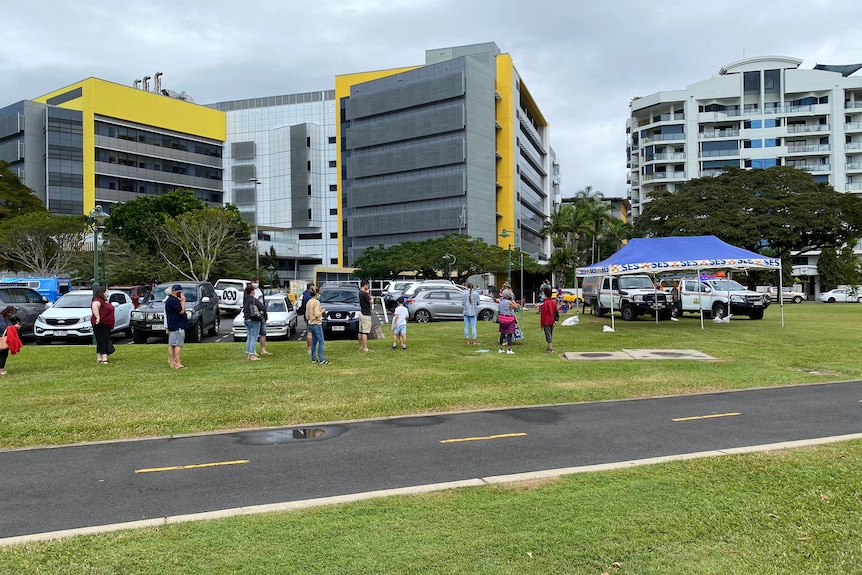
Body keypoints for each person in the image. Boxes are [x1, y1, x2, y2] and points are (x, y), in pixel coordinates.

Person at [90, 286, 115, 364]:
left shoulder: (104, 301)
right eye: (106, 292)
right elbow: (94, 306)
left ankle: (99, 357)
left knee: (101, 340)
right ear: (102, 292)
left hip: (105, 324)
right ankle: (104, 358)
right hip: (101, 324)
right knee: (104, 340)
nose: (107, 293)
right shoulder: (98, 300)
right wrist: (98, 317)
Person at [305, 286, 329, 364]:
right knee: (321, 341)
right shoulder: (316, 302)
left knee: (314, 342)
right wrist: (322, 311)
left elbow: (307, 315)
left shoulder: (309, 302)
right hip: (317, 324)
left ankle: (313, 359)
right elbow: (316, 314)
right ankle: (322, 359)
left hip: (310, 323)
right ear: (317, 293)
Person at [164, 284, 187, 369]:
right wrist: (183, 301)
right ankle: (177, 363)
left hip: (172, 325)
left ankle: (172, 362)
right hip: (178, 326)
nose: (181, 293)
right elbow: (181, 311)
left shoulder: (170, 300)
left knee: (172, 344)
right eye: (180, 292)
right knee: (178, 344)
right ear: (177, 292)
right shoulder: (173, 301)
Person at [243, 284, 265, 361]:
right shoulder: (253, 299)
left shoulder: (245, 299)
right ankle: (252, 355)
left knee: (249, 337)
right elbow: (262, 306)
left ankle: (248, 353)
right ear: (252, 291)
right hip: (254, 319)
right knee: (254, 337)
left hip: (246, 319)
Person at [0, 306, 23, 376]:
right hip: (2, 339)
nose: (12, 315)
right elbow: (4, 329)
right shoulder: (1, 319)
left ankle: (1, 368)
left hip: (5, 339)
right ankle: (1, 369)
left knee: (4, 354)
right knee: (2, 354)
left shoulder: (6, 319)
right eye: (12, 313)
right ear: (8, 313)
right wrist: (15, 327)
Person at [250, 276, 270, 356]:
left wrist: (265, 313)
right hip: (254, 314)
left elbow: (263, 302)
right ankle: (253, 350)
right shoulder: (249, 291)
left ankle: (263, 349)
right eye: (254, 282)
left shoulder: (260, 290)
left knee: (263, 332)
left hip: (262, 314)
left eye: (257, 282)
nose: (256, 283)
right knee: (254, 333)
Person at [298, 282, 314, 355]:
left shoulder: (304, 295)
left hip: (306, 315)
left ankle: (310, 348)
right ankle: (310, 348)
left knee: (310, 332)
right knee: (310, 332)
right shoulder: (309, 296)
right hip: (310, 316)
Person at [540, 286, 558, 354]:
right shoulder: (553, 302)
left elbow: (543, 315)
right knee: (550, 333)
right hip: (551, 320)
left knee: (548, 335)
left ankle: (550, 349)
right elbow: (555, 311)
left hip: (546, 321)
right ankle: (549, 347)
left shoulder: (545, 303)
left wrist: (542, 324)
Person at [358, 279, 373, 352]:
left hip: (361, 312)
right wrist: (369, 294)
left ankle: (360, 346)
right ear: (365, 285)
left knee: (360, 331)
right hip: (366, 313)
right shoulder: (364, 294)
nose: (368, 286)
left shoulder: (360, 292)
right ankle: (365, 347)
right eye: (367, 285)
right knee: (365, 331)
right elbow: (371, 302)